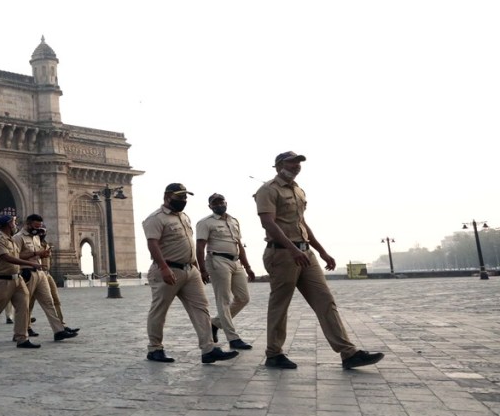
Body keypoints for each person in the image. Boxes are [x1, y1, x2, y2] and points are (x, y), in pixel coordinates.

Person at [256, 151, 385, 370]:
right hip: (282, 254)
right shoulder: (267, 190)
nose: (296, 166)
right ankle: (274, 353)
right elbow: (268, 223)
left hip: (305, 253)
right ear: (278, 166)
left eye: (299, 163)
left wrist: (322, 251)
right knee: (280, 305)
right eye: (291, 162)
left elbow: (302, 224)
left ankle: (348, 353)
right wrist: (292, 249)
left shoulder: (298, 190)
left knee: (325, 300)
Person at [142, 183, 238, 364]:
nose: (183, 200)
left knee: (201, 308)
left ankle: (208, 349)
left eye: (185, 197)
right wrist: (163, 268)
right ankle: (155, 348)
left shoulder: (184, 217)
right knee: (159, 310)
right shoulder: (155, 218)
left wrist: (196, 267)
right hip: (168, 270)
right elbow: (153, 244)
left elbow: (188, 243)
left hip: (189, 270)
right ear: (167, 196)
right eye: (180, 197)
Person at [196, 193, 255, 350]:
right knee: (223, 300)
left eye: (221, 201)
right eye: (215, 203)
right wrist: (202, 269)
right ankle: (233, 338)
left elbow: (239, 245)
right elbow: (200, 246)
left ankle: (215, 323)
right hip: (217, 261)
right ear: (210, 206)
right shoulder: (205, 223)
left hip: (235, 262)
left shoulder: (233, 221)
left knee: (243, 298)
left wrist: (248, 266)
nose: (219, 204)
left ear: (226, 202)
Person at [0, 214, 43, 348]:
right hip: (3, 281)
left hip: (17, 279)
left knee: (24, 308)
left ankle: (21, 338)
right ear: (7, 224)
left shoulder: (12, 240)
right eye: (14, 222)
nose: (15, 225)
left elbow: (17, 256)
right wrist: (31, 264)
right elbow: (7, 258)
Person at [15, 214, 77, 342]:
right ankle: (20, 333)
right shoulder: (18, 238)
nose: (38, 229)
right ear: (28, 223)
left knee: (49, 302)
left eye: (39, 226)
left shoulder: (37, 238)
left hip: (40, 273)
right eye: (36, 226)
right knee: (25, 305)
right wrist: (37, 253)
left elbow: (38, 255)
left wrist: (44, 254)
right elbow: (15, 257)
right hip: (27, 273)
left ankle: (59, 331)